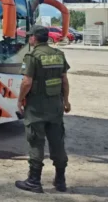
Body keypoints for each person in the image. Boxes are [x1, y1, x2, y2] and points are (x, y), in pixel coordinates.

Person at [15, 25, 71, 193]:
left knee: (36, 142)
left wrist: (20, 100)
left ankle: (34, 181)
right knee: (57, 142)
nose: (29, 39)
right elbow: (64, 81)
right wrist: (66, 101)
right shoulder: (58, 54)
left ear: (34, 38)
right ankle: (60, 181)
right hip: (55, 107)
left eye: (29, 36)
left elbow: (27, 82)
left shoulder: (32, 56)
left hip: (36, 107)